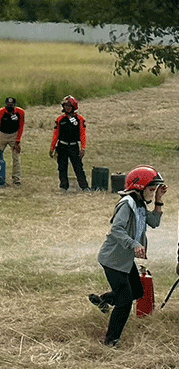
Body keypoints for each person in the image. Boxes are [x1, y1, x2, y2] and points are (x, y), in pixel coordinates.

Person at [88, 165, 166, 346]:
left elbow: (154, 222)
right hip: (113, 260)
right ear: (139, 186)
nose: (153, 192)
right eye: (151, 189)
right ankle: (111, 341)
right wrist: (134, 244)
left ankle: (104, 300)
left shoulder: (139, 203)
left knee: (137, 291)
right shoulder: (127, 204)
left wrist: (158, 200)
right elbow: (116, 229)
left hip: (124, 260)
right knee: (124, 302)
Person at [49, 95, 89, 192]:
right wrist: (52, 147)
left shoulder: (80, 119)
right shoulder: (60, 119)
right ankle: (63, 186)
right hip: (62, 146)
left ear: (73, 107)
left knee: (78, 167)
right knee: (62, 167)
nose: (67, 108)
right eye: (65, 105)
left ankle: (84, 187)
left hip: (74, 146)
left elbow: (83, 134)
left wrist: (83, 147)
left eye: (69, 106)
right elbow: (56, 135)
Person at [0, 96, 25, 186]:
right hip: (2, 134)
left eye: (12, 105)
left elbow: (21, 127)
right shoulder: (0, 112)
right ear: (5, 105)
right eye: (8, 105)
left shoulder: (20, 113)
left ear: (15, 105)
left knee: (16, 158)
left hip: (14, 135)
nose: (10, 106)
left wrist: (18, 141)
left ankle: (16, 179)